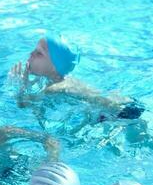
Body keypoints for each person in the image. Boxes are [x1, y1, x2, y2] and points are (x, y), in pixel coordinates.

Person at [10, 34, 145, 122]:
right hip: (123, 106)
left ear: (54, 66)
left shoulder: (54, 88)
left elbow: (24, 106)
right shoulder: (62, 80)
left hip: (122, 111)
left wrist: (21, 86)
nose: (31, 53)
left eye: (39, 53)